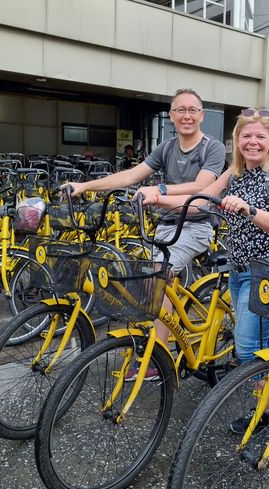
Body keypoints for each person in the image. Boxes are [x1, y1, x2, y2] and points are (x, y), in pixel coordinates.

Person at [143, 108, 269, 462]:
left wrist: (245, 209)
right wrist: (156, 197)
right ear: (237, 141)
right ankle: (266, 408)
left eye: (260, 136)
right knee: (252, 351)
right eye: (246, 136)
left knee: (250, 351)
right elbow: (199, 200)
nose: (253, 142)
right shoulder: (234, 173)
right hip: (240, 270)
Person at [62, 88, 226, 366]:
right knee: (151, 283)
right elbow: (130, 175)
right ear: (171, 116)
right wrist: (85, 186)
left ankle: (157, 359)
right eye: (180, 110)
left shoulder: (213, 147)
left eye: (192, 110)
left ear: (201, 115)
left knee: (158, 280)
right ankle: (163, 332)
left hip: (197, 225)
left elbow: (201, 186)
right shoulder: (167, 147)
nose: (186, 115)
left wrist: (159, 190)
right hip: (166, 225)